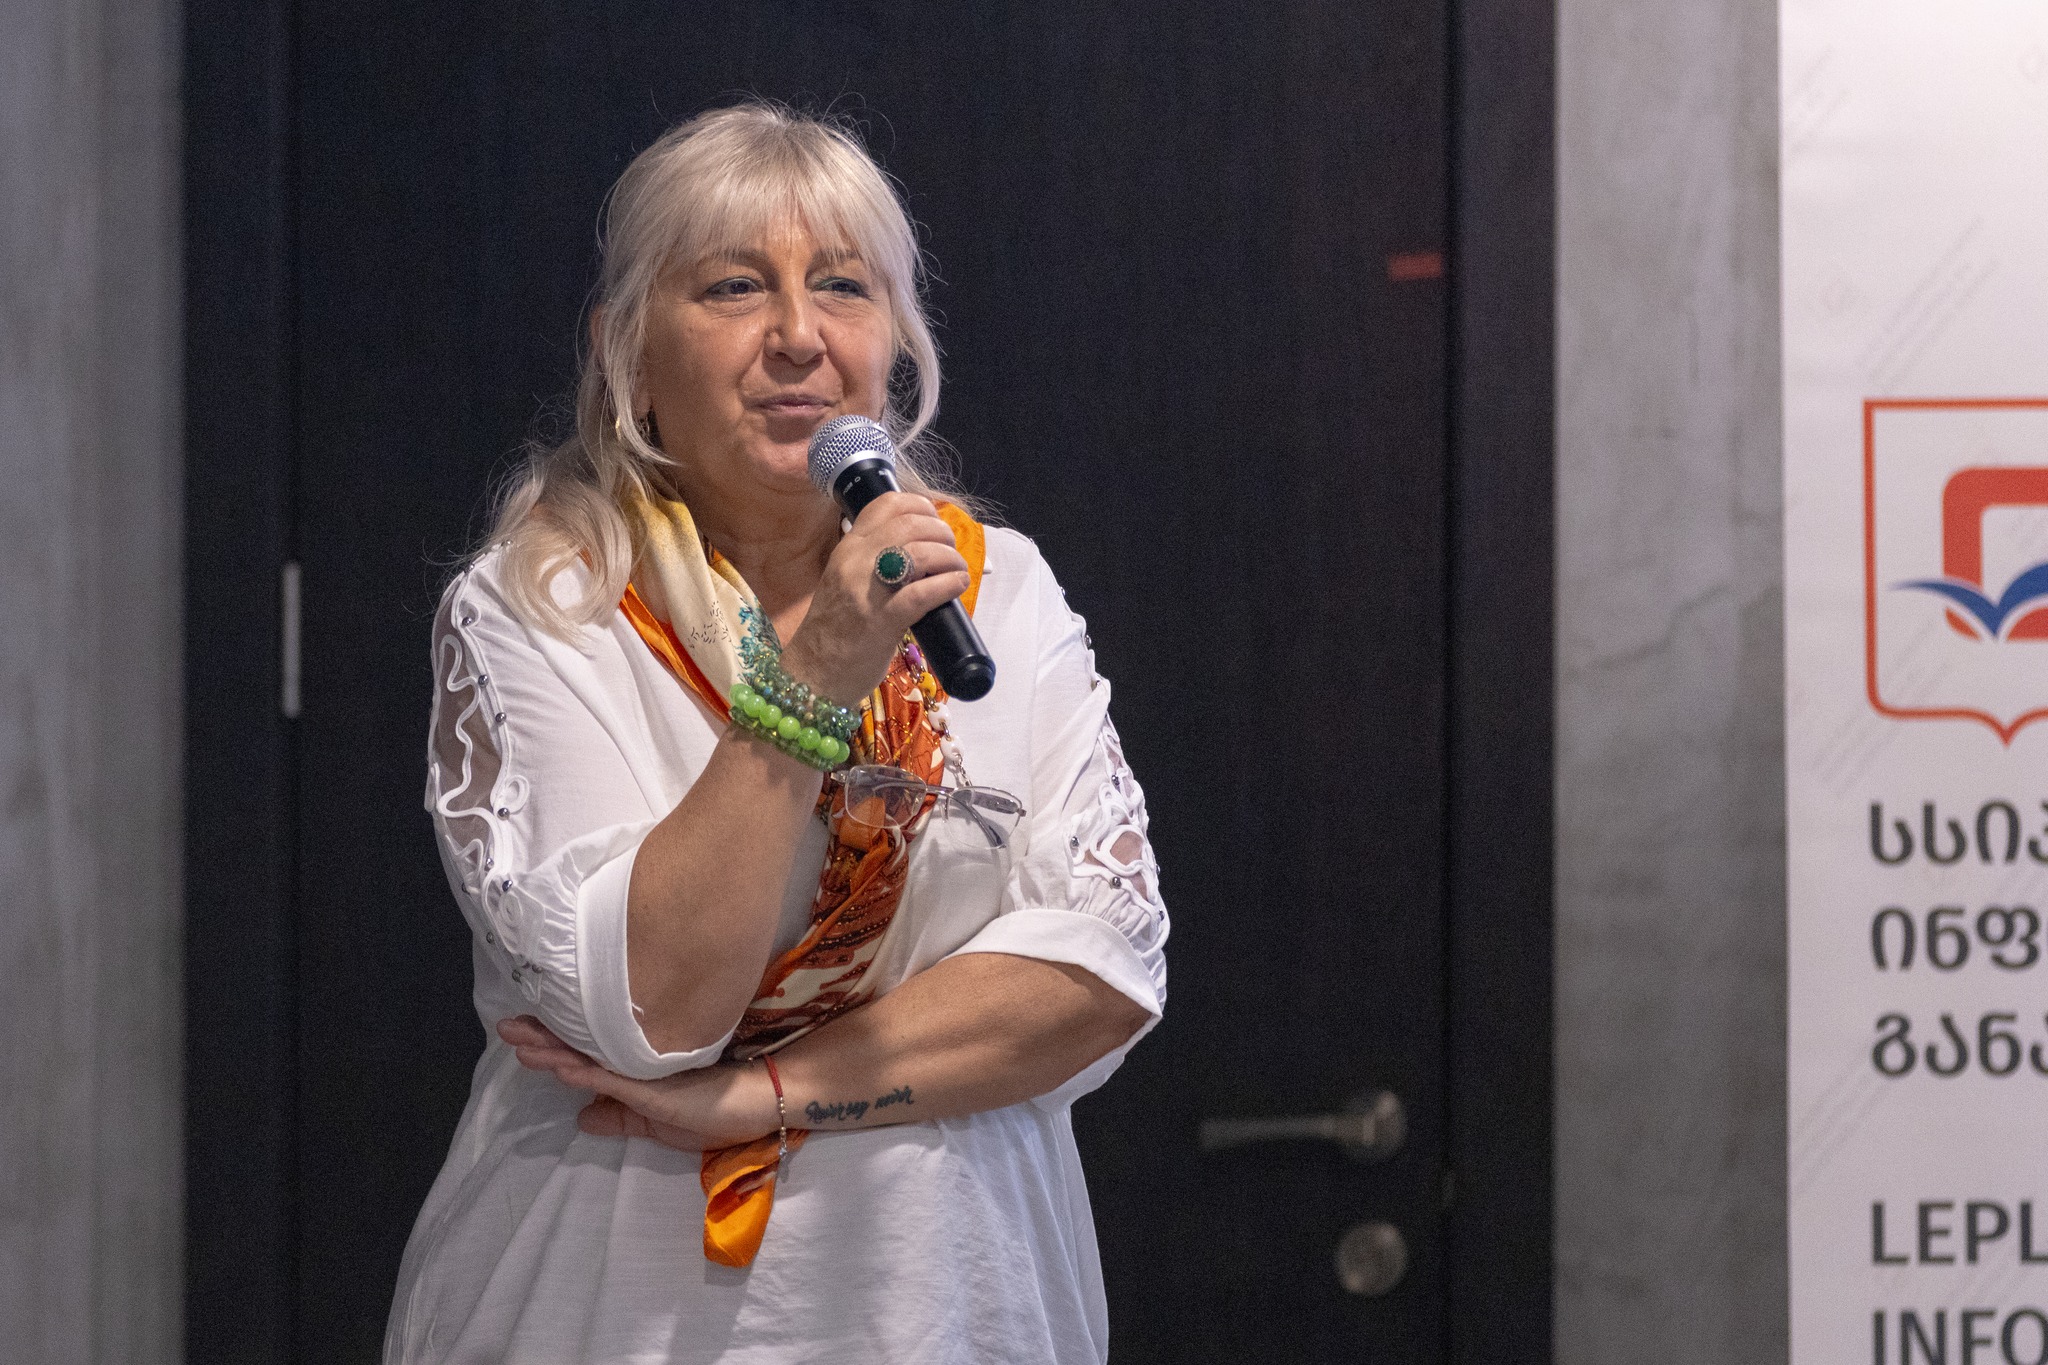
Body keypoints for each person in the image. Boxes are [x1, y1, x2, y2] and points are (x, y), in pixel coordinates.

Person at [385, 102, 1170, 1365]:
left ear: (892, 343)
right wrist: (814, 679)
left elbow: (1101, 976)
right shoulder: (542, 606)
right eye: (734, 287)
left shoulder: (996, 589)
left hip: (952, 1312)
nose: (799, 335)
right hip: (610, 1310)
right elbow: (653, 1009)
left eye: (843, 287)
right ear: (628, 354)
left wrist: (767, 1094)